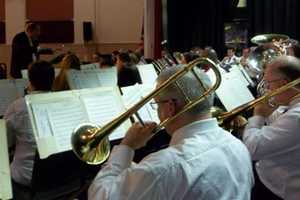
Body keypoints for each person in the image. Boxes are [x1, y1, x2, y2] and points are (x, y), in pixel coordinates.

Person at [88, 65, 254, 200]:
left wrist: (126, 146)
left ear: (170, 107)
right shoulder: (238, 146)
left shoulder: (163, 167)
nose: (157, 110)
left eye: (156, 104)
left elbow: (100, 195)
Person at [242, 56, 300, 200]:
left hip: (278, 191)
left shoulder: (296, 116)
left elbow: (251, 149)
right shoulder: (292, 106)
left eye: (269, 83)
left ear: (283, 84)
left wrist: (258, 116)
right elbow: (279, 129)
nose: (267, 89)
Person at [4, 60, 54, 199]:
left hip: (26, 178)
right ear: (52, 80)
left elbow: (5, 144)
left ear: (30, 81)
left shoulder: (17, 106)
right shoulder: (64, 103)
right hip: (62, 177)